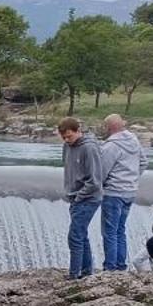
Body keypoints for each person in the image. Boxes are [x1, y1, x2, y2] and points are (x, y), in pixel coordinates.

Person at [98, 114, 148, 273]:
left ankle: (110, 268)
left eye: (104, 126)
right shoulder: (134, 141)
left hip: (113, 193)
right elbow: (144, 162)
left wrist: (101, 185)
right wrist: (133, 178)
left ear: (109, 127)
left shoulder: (111, 146)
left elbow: (102, 171)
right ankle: (121, 265)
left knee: (110, 232)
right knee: (120, 230)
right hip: (130, 192)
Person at [58, 117, 104, 280]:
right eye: (63, 137)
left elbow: (95, 180)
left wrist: (79, 196)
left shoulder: (90, 148)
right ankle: (86, 271)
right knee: (81, 235)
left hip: (88, 198)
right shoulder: (67, 146)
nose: (67, 140)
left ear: (78, 131)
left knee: (75, 235)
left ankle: (74, 274)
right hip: (74, 197)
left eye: (69, 136)